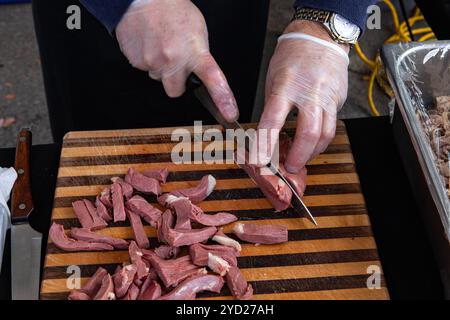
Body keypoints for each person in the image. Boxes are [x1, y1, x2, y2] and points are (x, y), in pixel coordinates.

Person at [33, 0, 375, 174]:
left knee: (218, 131)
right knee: (96, 168)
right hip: (89, 19)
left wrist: (328, 20)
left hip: (228, 11)